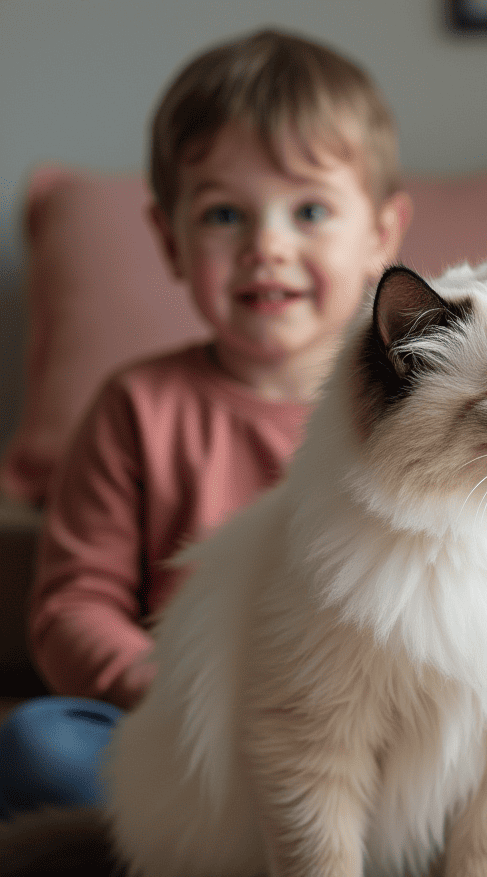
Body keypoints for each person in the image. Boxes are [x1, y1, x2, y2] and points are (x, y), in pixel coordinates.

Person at [0, 28, 411, 820]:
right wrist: (158, 682)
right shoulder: (136, 407)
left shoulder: (419, 406)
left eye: (311, 210)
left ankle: (321, 842)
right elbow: (70, 606)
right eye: (226, 214)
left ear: (381, 237)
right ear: (170, 241)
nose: (267, 246)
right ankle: (230, 841)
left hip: (374, 735)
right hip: (183, 736)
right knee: (37, 750)